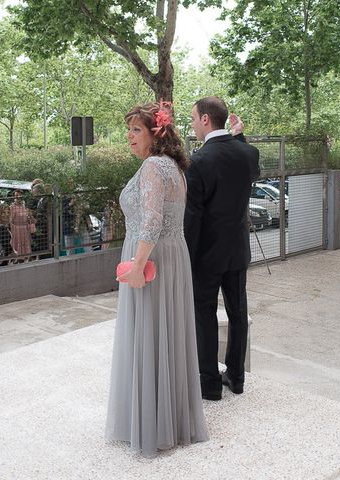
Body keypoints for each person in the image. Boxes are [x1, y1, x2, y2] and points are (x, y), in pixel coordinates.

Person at [106, 102, 208, 457]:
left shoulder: (153, 166)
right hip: (173, 254)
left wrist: (136, 266)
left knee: (150, 332)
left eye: (136, 130)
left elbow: (150, 222)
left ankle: (152, 423)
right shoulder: (174, 167)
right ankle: (170, 419)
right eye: (129, 130)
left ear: (155, 133)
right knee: (167, 335)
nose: (129, 136)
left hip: (152, 258)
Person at [184, 96, 260, 400]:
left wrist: (186, 259)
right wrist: (239, 135)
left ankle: (210, 383)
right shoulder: (247, 153)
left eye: (192, 118)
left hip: (206, 255)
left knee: (204, 314)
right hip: (237, 250)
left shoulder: (199, 161)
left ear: (205, 119)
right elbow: (251, 169)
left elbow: (193, 218)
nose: (191, 124)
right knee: (238, 311)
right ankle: (237, 377)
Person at [9, 189, 33, 257]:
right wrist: (14, 230)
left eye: (20, 195)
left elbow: (28, 217)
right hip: (16, 231)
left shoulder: (24, 206)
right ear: (14, 197)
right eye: (16, 195)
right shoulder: (12, 207)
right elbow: (10, 220)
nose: (18, 197)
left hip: (25, 229)